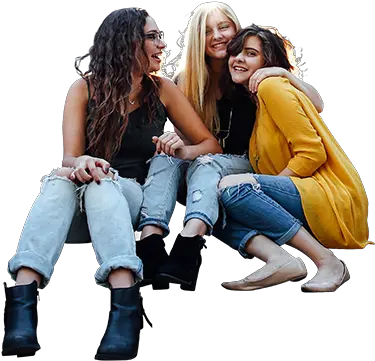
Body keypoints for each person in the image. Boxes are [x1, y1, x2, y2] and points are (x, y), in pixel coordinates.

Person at [2, 8, 221, 359]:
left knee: (101, 183)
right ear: (126, 43)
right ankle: (23, 308)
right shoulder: (84, 89)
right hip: (82, 206)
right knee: (60, 183)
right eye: (152, 37)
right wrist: (84, 162)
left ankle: (122, 304)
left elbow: (210, 145)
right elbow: (71, 160)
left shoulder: (161, 89)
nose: (161, 45)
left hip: (131, 196)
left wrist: (181, 147)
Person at [136, 1, 324, 292]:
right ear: (198, 38)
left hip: (249, 165)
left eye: (223, 26)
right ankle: (151, 240)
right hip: (205, 166)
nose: (217, 35)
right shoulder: (186, 80)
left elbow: (316, 105)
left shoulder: (251, 66)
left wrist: (285, 75)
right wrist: (173, 141)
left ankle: (189, 243)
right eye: (207, 30)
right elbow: (187, 138)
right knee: (166, 157)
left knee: (207, 166)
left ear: (236, 29)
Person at [216, 24, 371, 292]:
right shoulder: (258, 100)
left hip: (330, 197)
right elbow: (316, 104)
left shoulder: (271, 87)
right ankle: (279, 260)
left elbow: (312, 153)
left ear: (268, 62)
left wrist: (261, 188)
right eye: (235, 52)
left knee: (235, 189)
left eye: (250, 53)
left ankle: (328, 262)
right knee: (213, 209)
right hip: (306, 195)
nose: (238, 59)